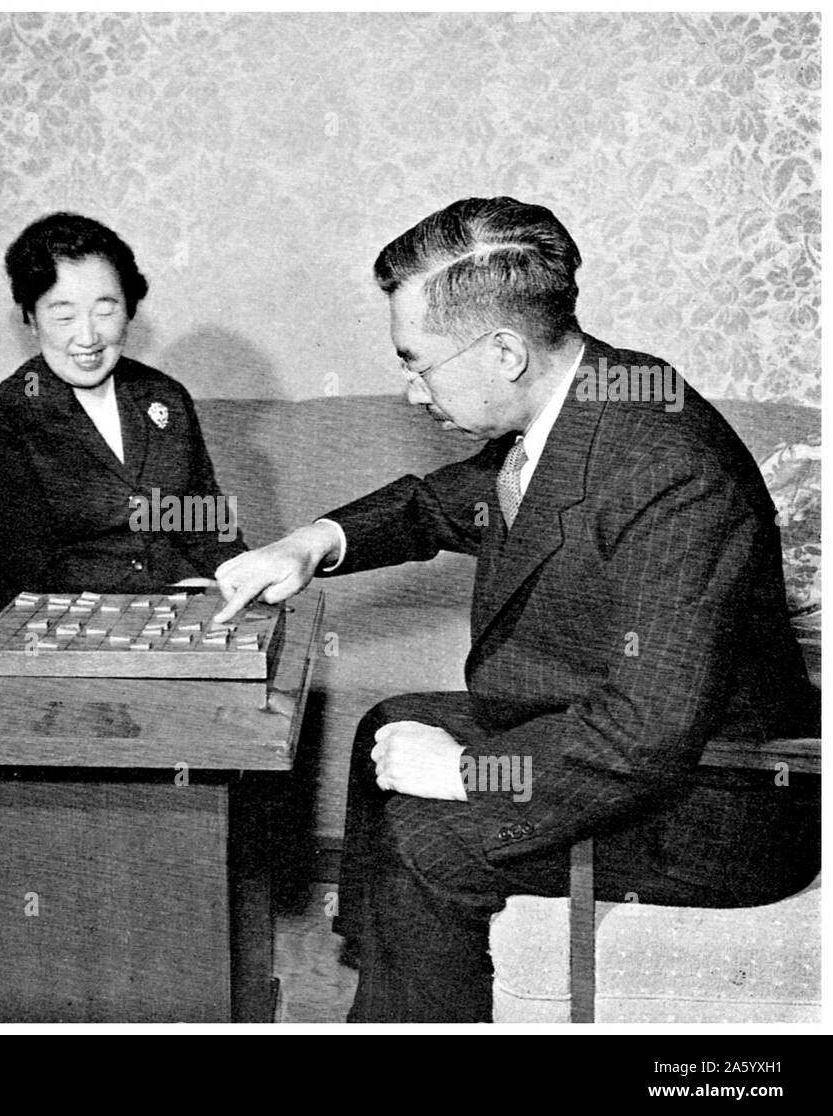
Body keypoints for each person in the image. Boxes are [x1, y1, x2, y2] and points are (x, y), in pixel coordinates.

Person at [212, 197, 820, 1022]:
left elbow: (641, 736)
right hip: (616, 730)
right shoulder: (584, 391)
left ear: (503, 350)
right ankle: (389, 976)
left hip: (716, 801)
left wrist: (467, 771)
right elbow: (440, 503)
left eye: (416, 361)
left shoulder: (670, 474)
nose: (410, 389)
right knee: (385, 728)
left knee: (428, 843)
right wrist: (311, 542)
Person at [0, 212, 246, 625]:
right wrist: (167, 594)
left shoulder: (165, 396)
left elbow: (200, 519)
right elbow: (35, 565)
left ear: (130, 308)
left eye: (105, 310)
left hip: (159, 611)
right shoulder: (6, 417)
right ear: (30, 318)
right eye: (63, 316)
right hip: (41, 623)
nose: (88, 337)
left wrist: (238, 574)